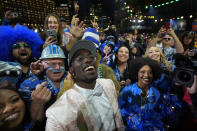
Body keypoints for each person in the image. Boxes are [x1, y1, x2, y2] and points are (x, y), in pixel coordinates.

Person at [46, 40, 124, 131]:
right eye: (80, 59)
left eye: (91, 57)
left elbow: (118, 121)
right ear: (71, 70)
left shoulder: (108, 85)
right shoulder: (57, 113)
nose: (88, 60)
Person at [19, 44, 67, 129]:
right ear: (41, 64)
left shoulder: (71, 77)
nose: (57, 67)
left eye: (60, 63)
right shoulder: (31, 84)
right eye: (52, 64)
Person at [118, 58, 164, 130]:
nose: (146, 75)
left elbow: (158, 114)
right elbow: (119, 111)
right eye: (142, 72)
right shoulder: (127, 91)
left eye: (150, 72)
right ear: (137, 73)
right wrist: (130, 118)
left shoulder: (156, 92)